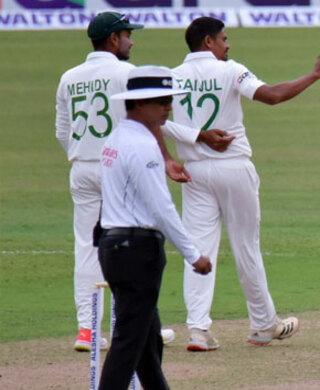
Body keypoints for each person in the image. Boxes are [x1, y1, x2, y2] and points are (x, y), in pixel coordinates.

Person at [55, 11, 232, 352]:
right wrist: (194, 138)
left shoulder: (69, 78)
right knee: (137, 242)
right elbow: (154, 120)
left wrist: (83, 153)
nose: (131, 41)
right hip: (120, 164)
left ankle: (87, 330)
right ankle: (139, 323)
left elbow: (62, 130)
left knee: (87, 247)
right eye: (127, 35)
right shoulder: (127, 74)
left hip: (82, 167)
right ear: (113, 39)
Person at [170, 17, 320, 351]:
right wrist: (315, 74)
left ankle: (198, 330)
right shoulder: (230, 69)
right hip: (234, 167)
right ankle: (263, 325)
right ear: (208, 42)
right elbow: (272, 96)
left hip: (194, 171)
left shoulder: (172, 76)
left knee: (198, 250)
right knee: (246, 246)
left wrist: (195, 136)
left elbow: (158, 121)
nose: (227, 44)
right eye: (223, 38)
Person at [83, 65, 213, 390]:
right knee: (130, 340)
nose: (168, 107)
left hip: (116, 244)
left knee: (145, 341)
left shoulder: (118, 137)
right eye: (161, 101)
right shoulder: (142, 146)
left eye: (169, 100)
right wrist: (193, 254)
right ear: (139, 103)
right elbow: (161, 206)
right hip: (136, 248)